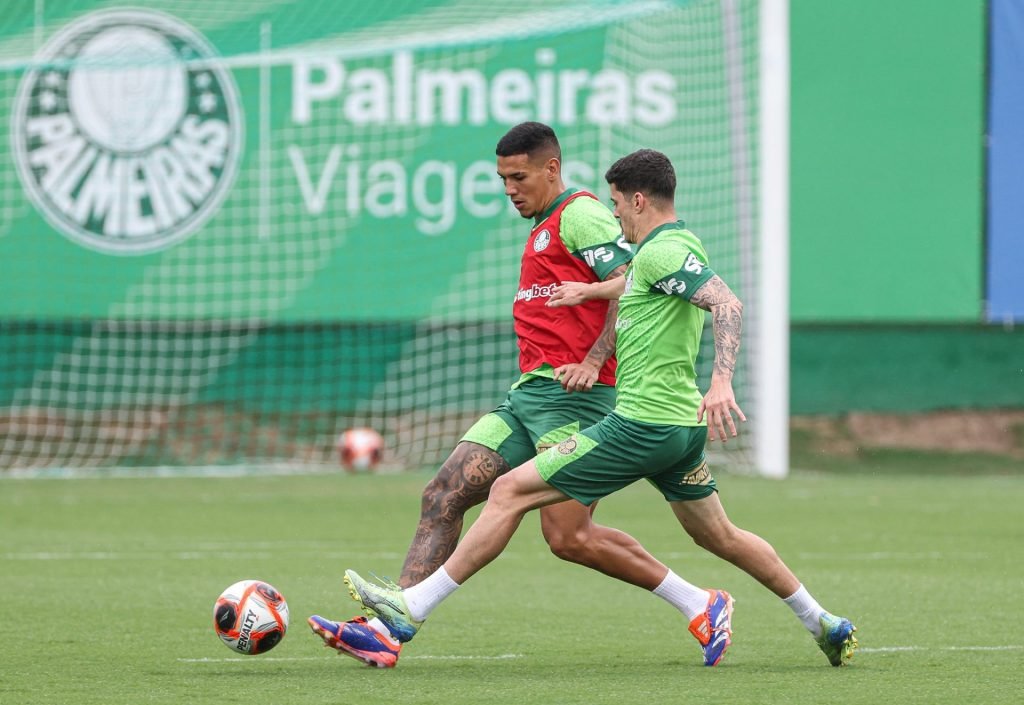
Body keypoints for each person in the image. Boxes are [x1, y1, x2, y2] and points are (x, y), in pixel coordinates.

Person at [341, 149, 859, 667]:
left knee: (508, 491)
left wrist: (722, 380)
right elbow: (633, 287)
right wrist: (589, 295)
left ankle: (411, 608)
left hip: (638, 426)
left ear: (638, 199)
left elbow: (727, 302)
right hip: (681, 432)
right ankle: (823, 621)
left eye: (616, 205)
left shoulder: (662, 250)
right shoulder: (663, 251)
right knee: (718, 534)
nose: (614, 216)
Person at [310, 126, 736, 668]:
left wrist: (591, 360)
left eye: (519, 176)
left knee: (568, 538)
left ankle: (701, 603)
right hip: (529, 397)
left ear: (551, 169)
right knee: (442, 493)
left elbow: (630, 281)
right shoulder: (542, 228)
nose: (510, 188)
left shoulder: (581, 214)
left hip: (579, 403)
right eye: (502, 179)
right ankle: (388, 629)